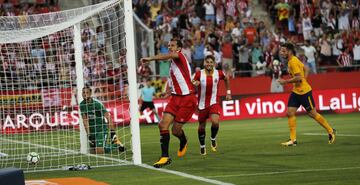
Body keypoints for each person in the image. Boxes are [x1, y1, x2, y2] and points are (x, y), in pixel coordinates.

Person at [140, 39, 197, 168]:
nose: (170, 48)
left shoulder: (180, 56)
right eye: (168, 46)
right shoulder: (173, 65)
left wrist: (150, 58)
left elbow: (164, 56)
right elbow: (176, 82)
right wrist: (168, 92)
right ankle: (165, 157)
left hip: (187, 99)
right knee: (162, 125)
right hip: (175, 98)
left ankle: (183, 139)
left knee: (175, 130)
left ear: (179, 48)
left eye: (172, 45)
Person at [278, 43, 336, 146]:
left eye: (283, 51)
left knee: (312, 114)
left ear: (289, 51)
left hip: (304, 92)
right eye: (281, 51)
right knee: (290, 113)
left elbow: (298, 78)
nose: (281, 53)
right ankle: (293, 140)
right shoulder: (293, 60)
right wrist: (303, 79)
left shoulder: (293, 62)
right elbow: (307, 69)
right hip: (296, 91)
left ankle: (330, 130)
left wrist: (285, 82)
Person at [192, 55, 231, 155]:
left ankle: (213, 138)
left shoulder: (219, 73)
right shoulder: (199, 73)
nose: (209, 64)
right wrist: (194, 83)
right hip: (202, 104)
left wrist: (228, 92)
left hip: (214, 102)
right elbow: (192, 81)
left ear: (214, 63)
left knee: (215, 122)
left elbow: (226, 79)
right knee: (201, 127)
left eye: (211, 62)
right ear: (204, 63)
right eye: (207, 62)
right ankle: (202, 145)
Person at [79, 86, 125, 154]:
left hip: (101, 130)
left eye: (87, 92)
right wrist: (89, 135)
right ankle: (112, 145)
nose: (85, 94)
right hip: (92, 131)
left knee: (99, 151)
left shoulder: (97, 104)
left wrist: (112, 132)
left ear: (90, 93)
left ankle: (116, 145)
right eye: (83, 92)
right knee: (93, 152)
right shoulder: (82, 105)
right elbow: (85, 120)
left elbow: (108, 117)